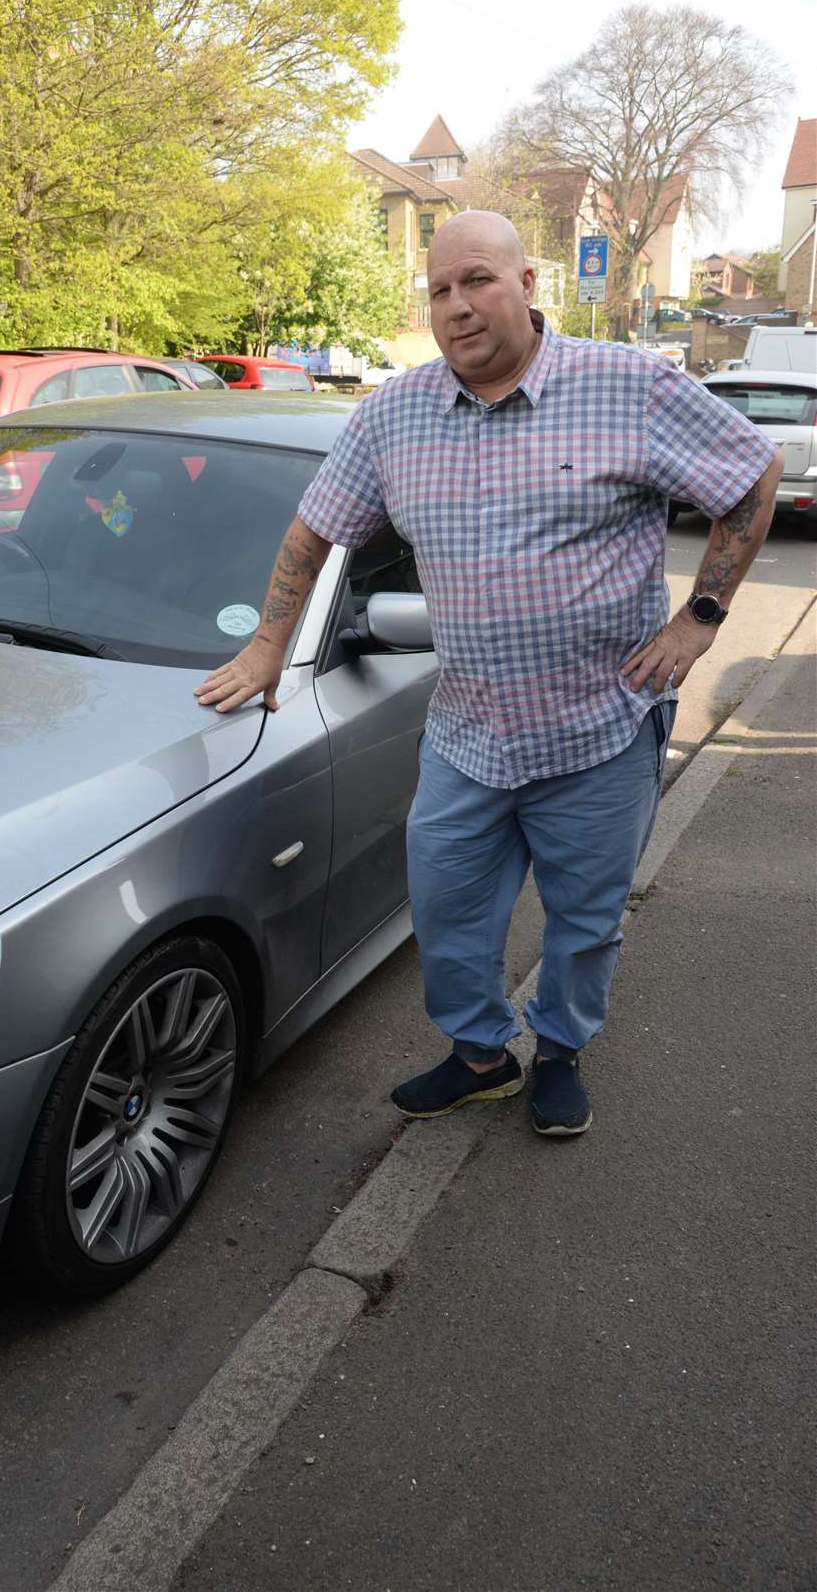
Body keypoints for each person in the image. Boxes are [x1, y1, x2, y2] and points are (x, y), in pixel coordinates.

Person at [195, 211, 781, 1137]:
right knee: (447, 912)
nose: (457, 306)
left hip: (598, 729)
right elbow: (315, 529)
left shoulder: (627, 387)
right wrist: (268, 645)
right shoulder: (394, 413)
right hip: (467, 735)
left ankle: (558, 1053)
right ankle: (479, 1056)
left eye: (477, 281)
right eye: (438, 289)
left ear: (528, 284)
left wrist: (700, 618)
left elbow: (752, 475)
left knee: (585, 924)